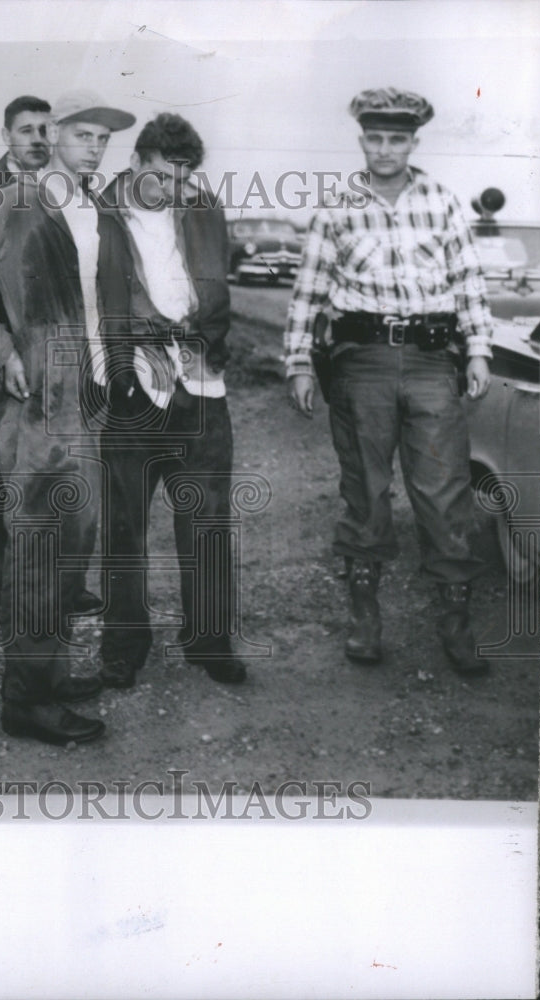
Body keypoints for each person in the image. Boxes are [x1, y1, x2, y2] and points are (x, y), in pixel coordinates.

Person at [0, 90, 136, 745]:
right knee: (38, 546)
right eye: (82, 132)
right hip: (41, 390)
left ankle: (46, 675)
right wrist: (1, 353)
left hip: (89, 393)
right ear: (55, 136)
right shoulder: (14, 202)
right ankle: (26, 701)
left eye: (104, 137)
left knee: (71, 545)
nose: (93, 144)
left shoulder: (93, 210)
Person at [285, 87, 493, 675]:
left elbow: (469, 282)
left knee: (444, 491)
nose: (384, 149)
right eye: (374, 138)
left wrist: (477, 351)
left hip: (431, 362)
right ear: (361, 141)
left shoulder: (444, 203)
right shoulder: (336, 207)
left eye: (396, 138)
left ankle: (456, 627)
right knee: (366, 490)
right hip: (362, 363)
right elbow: (309, 289)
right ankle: (365, 621)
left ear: (413, 142)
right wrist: (299, 361)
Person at [95, 113, 248, 690]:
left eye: (187, 177)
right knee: (125, 524)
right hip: (132, 384)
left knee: (208, 518)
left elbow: (217, 286)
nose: (178, 189)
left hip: (202, 386)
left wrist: (208, 342)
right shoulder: (98, 212)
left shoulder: (205, 209)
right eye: (165, 176)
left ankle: (210, 640)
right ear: (136, 163)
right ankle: (124, 644)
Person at [0, 95, 101, 625]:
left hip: (61, 370)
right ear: (6, 135)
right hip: (1, 361)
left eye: (45, 130)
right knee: (5, 483)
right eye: (26, 130)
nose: (37, 139)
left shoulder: (75, 195)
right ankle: (11, 595)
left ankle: (59, 593)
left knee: (64, 484)